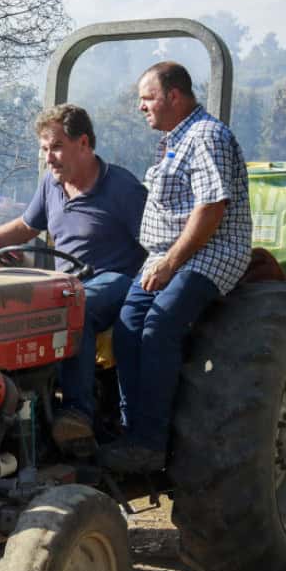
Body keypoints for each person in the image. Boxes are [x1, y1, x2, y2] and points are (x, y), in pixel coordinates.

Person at [97, 62, 253, 473]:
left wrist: (170, 262)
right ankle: (132, 430)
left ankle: (152, 442)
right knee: (127, 327)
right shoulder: (175, 139)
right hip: (166, 255)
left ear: (175, 96)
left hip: (212, 251)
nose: (141, 106)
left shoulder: (207, 136)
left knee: (159, 325)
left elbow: (211, 208)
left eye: (147, 98)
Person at [0, 103, 148, 455]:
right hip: (65, 282)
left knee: (75, 304)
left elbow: (156, 244)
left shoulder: (122, 187)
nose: (48, 158)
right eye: (44, 149)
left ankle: (77, 413)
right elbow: (24, 227)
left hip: (117, 279)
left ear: (83, 143)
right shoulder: (51, 186)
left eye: (55, 147)